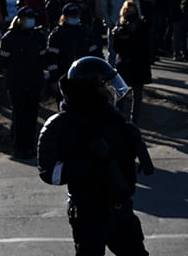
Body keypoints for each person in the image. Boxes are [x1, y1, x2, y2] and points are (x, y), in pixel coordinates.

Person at [37, 56, 155, 256]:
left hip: (121, 209)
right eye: (104, 86)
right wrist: (88, 165)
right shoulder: (61, 124)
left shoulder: (112, 117)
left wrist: (134, 142)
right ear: (89, 89)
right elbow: (48, 172)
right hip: (88, 212)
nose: (110, 91)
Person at [0, 9, 49, 159]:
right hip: (17, 83)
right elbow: (2, 61)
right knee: (20, 115)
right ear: (20, 19)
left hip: (34, 81)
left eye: (33, 18)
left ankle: (30, 145)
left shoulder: (38, 36)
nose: (31, 20)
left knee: (32, 115)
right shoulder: (9, 38)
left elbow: (43, 58)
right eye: (28, 18)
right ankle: (19, 147)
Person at [46, 3, 102, 103]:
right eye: (72, 15)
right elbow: (51, 60)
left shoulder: (85, 31)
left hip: (85, 77)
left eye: (76, 15)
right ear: (65, 17)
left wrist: (98, 72)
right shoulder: (57, 35)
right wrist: (54, 79)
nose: (75, 17)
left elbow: (95, 53)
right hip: (64, 77)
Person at [110, 0, 152, 124]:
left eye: (132, 9)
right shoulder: (119, 26)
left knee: (137, 94)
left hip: (138, 63)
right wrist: (119, 35)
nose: (129, 12)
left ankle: (135, 120)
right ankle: (117, 119)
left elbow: (144, 44)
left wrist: (129, 37)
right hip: (124, 63)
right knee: (120, 93)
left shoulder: (141, 25)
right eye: (127, 10)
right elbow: (116, 47)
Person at [102, 0, 139, 65]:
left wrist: (137, 20)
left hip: (130, 24)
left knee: (131, 50)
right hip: (114, 24)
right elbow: (104, 8)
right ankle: (112, 74)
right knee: (113, 50)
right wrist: (110, 23)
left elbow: (137, 5)